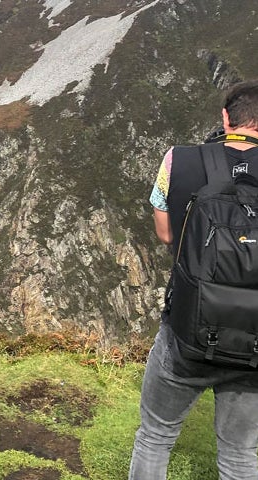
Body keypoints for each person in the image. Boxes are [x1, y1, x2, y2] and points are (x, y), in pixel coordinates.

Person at [129, 79, 258, 479]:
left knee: (155, 435)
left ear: (225, 117)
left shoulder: (178, 160)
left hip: (188, 329)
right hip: (254, 341)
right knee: (240, 454)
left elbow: (167, 234)